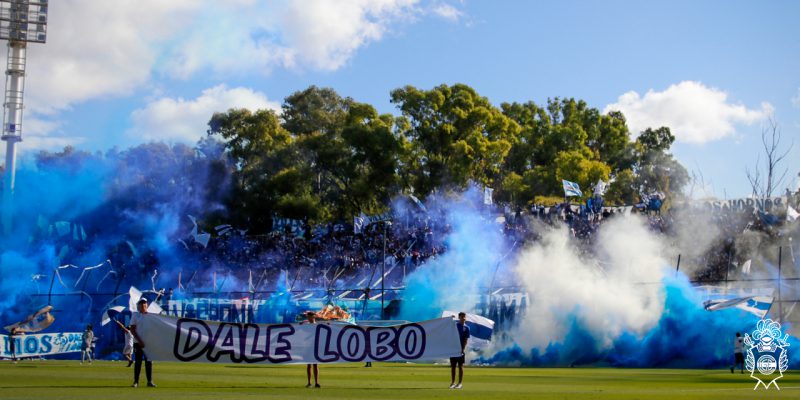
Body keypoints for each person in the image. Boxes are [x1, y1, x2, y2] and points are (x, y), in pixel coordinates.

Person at [130, 298, 156, 387]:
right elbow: (132, 329)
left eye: (144, 303)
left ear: (147, 305)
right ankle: (136, 381)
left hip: (149, 342)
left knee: (149, 362)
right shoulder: (135, 315)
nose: (143, 305)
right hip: (138, 342)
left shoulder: (151, 315)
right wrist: (140, 340)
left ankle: (150, 381)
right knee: (138, 362)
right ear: (138, 306)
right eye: (141, 304)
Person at [449, 312, 470, 389]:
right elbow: (448, 325)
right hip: (453, 349)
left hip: (461, 350)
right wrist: (450, 318)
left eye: (464, 317)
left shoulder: (467, 328)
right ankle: (453, 383)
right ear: (459, 318)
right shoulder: (455, 325)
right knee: (453, 366)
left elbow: (466, 340)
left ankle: (460, 383)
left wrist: (462, 349)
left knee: (460, 366)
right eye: (462, 317)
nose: (463, 318)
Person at [301, 311, 320, 388]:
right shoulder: (306, 325)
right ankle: (309, 382)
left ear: (313, 316)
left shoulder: (317, 325)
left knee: (315, 365)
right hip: (308, 347)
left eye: (309, 316)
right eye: (307, 317)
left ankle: (316, 382)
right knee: (309, 365)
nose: (308, 318)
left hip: (315, 346)